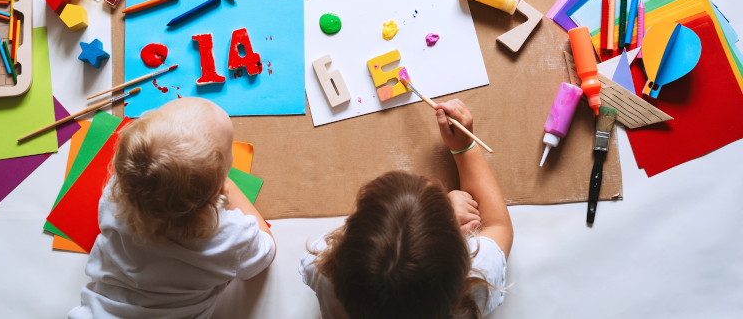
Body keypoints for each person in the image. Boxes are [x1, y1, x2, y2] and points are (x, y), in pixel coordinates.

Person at [300, 99, 512, 319]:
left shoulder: (321, 270)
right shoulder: (479, 284)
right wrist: (464, 147)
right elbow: (498, 225)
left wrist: (440, 220)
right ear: (461, 253)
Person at [69, 98, 275, 319]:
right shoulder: (229, 238)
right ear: (213, 190)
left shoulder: (115, 198)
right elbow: (266, 249)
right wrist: (227, 186)